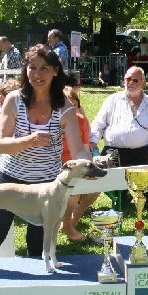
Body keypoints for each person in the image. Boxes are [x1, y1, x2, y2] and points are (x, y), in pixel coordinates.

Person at [0, 44, 92, 258]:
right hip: (10, 178)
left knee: (39, 243)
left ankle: (39, 287)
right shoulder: (14, 100)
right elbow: (1, 145)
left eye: (44, 68)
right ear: (25, 70)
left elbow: (78, 151)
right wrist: (30, 140)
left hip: (46, 183)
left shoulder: (65, 107)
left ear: (55, 71)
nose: (37, 74)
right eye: (32, 68)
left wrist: (90, 165)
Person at [90, 66, 148, 208]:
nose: (130, 82)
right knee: (104, 163)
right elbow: (98, 124)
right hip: (114, 149)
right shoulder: (112, 100)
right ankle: (119, 195)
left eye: (135, 80)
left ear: (144, 83)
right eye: (127, 79)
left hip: (144, 150)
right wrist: (93, 142)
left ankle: (146, 197)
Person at [61, 86, 100, 241]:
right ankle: (67, 226)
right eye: (67, 106)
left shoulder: (81, 120)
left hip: (77, 162)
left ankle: (72, 220)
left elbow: (85, 149)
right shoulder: (52, 119)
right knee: (74, 188)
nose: (71, 110)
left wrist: (90, 168)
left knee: (96, 186)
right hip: (57, 165)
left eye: (74, 105)